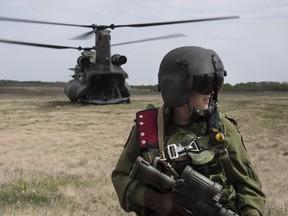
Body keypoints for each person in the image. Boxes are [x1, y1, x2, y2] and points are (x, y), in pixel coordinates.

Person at [111, 46, 266, 216]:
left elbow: (249, 189)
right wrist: (153, 199)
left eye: (215, 83)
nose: (211, 92)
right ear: (176, 86)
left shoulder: (222, 128)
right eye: (204, 83)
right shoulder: (149, 127)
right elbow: (121, 176)